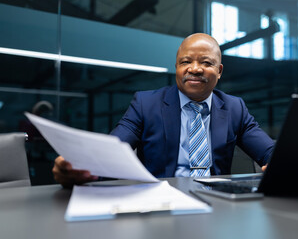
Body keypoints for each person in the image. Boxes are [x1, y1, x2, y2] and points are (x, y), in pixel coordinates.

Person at [53, 33, 274, 188]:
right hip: (160, 201)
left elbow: (269, 151)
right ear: (177, 67)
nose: (194, 69)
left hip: (218, 204)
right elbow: (113, 151)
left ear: (219, 70)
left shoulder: (234, 108)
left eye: (205, 62)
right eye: (185, 61)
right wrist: (81, 168)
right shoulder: (146, 104)